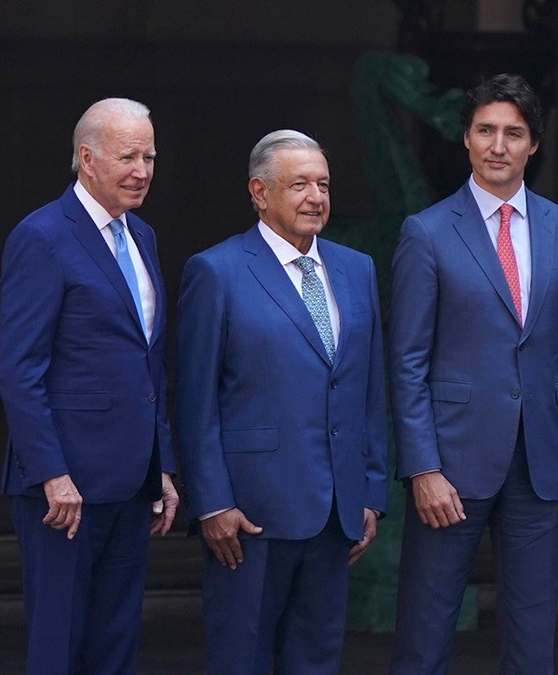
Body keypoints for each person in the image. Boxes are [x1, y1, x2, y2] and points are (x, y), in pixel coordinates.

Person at [388, 73, 558, 674]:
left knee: (532, 638)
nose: (498, 145)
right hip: (451, 469)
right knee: (425, 630)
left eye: (514, 133)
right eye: (486, 130)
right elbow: (406, 364)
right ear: (466, 138)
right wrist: (423, 468)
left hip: (543, 466)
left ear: (534, 144)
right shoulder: (426, 232)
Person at [175, 129, 389, 674]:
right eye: (299, 185)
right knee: (241, 655)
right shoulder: (216, 271)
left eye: (323, 183)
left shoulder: (356, 269)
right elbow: (194, 400)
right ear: (259, 191)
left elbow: (368, 389)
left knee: (315, 659)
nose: (315, 197)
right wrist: (212, 503)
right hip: (250, 515)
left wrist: (370, 489)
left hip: (336, 511)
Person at [0, 97, 179, 673]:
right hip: (64, 490)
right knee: (60, 644)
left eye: (150, 156)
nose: (142, 170)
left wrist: (164, 465)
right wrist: (52, 472)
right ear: (86, 158)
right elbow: (19, 368)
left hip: (130, 483)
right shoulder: (43, 235)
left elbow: (149, 362)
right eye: (128, 156)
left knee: (115, 645)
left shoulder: (142, 235)